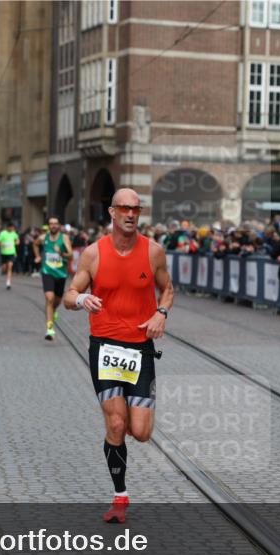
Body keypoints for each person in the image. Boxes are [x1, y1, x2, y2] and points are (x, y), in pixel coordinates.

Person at [64, 188, 174, 523]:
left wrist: (161, 314)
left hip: (139, 348)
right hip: (105, 347)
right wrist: (83, 300)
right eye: (124, 208)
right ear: (112, 212)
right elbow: (70, 294)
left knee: (139, 432)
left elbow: (167, 289)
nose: (130, 214)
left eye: (135, 209)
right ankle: (120, 497)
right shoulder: (93, 254)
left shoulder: (153, 251)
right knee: (115, 422)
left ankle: (126, 423)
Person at [34, 217, 72, 340]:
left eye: (56, 223)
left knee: (57, 301)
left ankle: (53, 311)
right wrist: (38, 256)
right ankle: (49, 329)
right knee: (49, 298)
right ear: (48, 226)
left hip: (61, 274)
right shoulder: (43, 237)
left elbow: (71, 256)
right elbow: (35, 244)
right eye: (51, 224)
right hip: (47, 271)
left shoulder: (64, 238)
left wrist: (61, 253)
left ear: (59, 225)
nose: (53, 226)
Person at [0, 221, 19, 290]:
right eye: (11, 228)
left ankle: (8, 282)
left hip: (11, 253)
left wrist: (16, 242)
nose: (12, 229)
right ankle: (2, 269)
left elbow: (17, 241)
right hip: (4, 253)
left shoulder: (14, 233)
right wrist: (2, 244)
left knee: (10, 266)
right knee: (4, 268)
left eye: (13, 228)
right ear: (8, 227)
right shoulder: (3, 233)